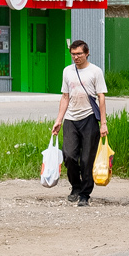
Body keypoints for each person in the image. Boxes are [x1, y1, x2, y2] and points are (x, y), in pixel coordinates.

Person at [52, 40, 108, 206]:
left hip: (89, 118)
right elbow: (65, 97)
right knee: (69, 156)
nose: (76, 57)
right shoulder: (67, 71)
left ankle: (85, 194)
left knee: (86, 160)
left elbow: (101, 97)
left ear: (87, 53)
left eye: (79, 54)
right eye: (73, 54)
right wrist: (59, 120)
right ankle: (75, 186)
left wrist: (103, 123)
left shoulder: (95, 71)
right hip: (70, 119)